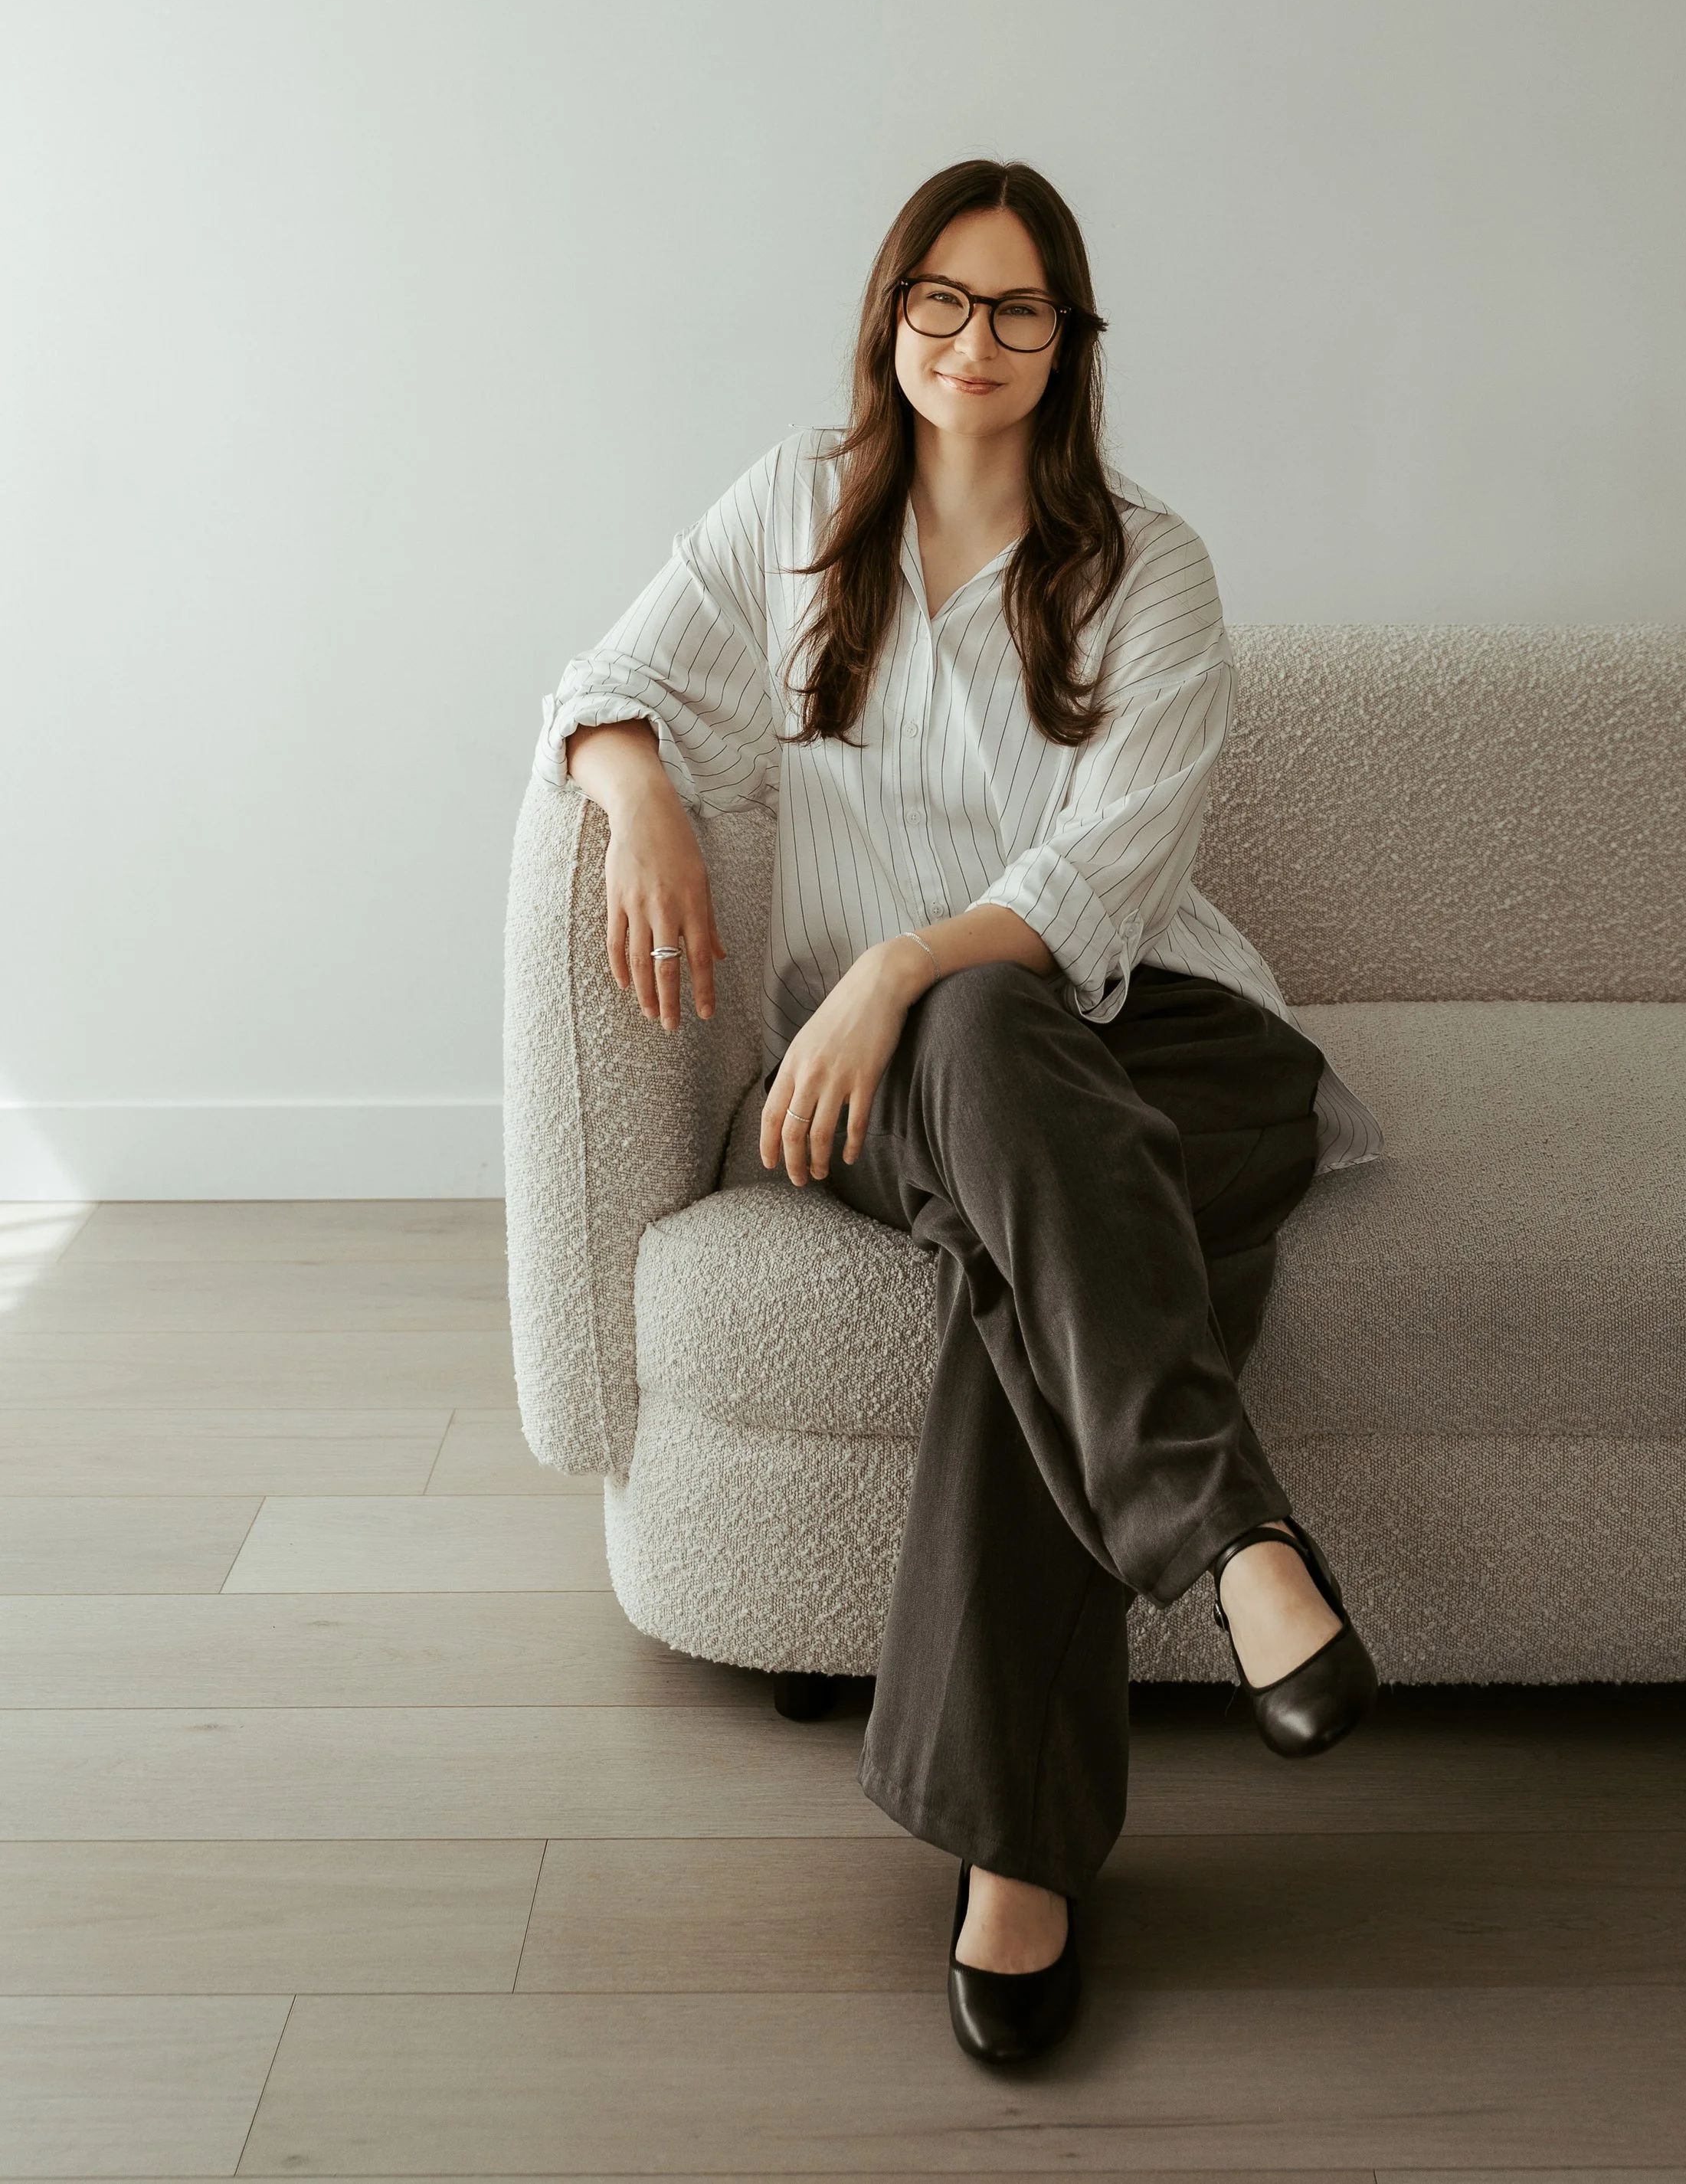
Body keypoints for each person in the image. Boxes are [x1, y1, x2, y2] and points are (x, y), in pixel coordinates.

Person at [540, 157, 1386, 2064]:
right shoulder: (788, 510)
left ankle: (1022, 1856)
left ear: (1067, 344)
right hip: (903, 1088)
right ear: (886, 314)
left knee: (1009, 1086)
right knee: (988, 1058)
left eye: (1015, 311)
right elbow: (602, 674)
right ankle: (1230, 1545)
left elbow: (1093, 887)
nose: (970, 343)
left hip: (1167, 1043)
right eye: (938, 300)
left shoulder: (1148, 569)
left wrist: (896, 962)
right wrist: (641, 785)